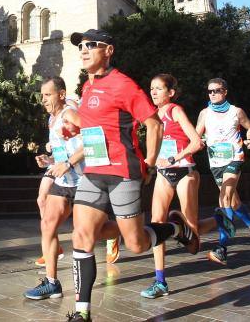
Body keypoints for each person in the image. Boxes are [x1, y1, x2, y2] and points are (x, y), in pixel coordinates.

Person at [67, 29, 197, 322]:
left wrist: (150, 162)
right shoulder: (87, 87)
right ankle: (81, 312)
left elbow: (154, 125)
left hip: (124, 172)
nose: (84, 50)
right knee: (81, 235)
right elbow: (95, 125)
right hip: (93, 172)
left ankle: (175, 227)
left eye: (91, 45)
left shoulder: (124, 85)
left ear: (108, 50)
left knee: (136, 245)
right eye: (81, 46)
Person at [139, 74, 204, 299]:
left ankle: (220, 221)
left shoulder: (175, 110)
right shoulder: (151, 117)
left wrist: (174, 159)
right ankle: (160, 281)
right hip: (163, 175)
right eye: (151, 88)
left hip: (185, 172)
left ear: (171, 93)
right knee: (157, 225)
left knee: (192, 243)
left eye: (159, 88)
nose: (154, 92)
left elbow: (197, 142)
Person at [24, 77, 84, 300]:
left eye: (47, 95)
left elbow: (92, 140)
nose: (43, 100)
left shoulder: (69, 114)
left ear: (61, 94)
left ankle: (132, 231)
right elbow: (65, 150)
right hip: (64, 183)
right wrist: (50, 160)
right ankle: (51, 283)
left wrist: (68, 163)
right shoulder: (52, 119)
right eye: (42, 96)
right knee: (48, 225)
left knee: (85, 234)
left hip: (84, 182)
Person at [196, 78, 250, 265]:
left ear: (225, 91)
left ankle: (222, 248)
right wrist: (197, 142)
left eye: (216, 91)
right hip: (215, 161)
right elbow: (196, 135)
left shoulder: (236, 111)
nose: (212, 94)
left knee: (224, 198)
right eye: (209, 91)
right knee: (233, 202)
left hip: (234, 158)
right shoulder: (205, 113)